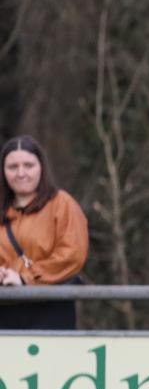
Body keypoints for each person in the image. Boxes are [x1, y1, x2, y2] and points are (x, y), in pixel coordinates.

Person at [0, 135, 88, 329]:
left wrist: (24, 278)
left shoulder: (62, 204)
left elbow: (71, 255)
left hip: (50, 308)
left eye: (28, 165)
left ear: (41, 167)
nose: (21, 173)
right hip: (4, 307)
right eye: (13, 167)